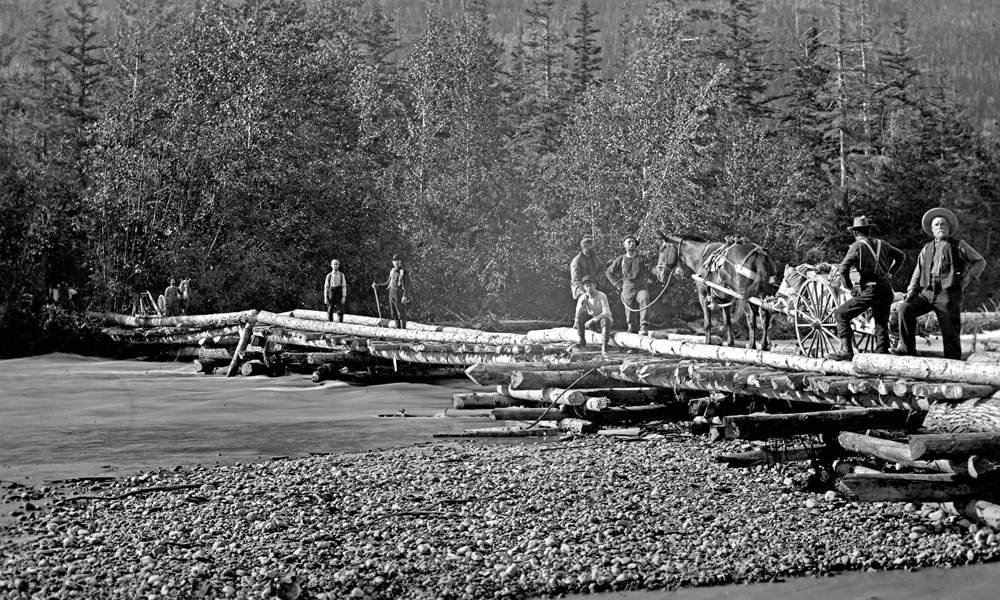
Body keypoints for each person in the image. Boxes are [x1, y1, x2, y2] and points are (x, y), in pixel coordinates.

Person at [894, 207, 986, 360]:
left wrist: (969, 276)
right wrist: (911, 290)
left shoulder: (959, 245)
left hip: (948, 294)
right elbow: (918, 272)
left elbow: (980, 261)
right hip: (927, 292)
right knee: (905, 308)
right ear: (932, 230)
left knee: (950, 332)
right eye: (936, 225)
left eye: (943, 224)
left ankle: (952, 363)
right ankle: (906, 349)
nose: (940, 227)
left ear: (948, 227)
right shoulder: (927, 248)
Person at [826, 216, 906, 361]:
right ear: (869, 230)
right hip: (887, 290)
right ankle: (882, 353)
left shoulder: (856, 246)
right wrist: (891, 273)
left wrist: (850, 287)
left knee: (840, 314)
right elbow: (901, 256)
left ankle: (846, 350)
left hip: (871, 290)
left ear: (855, 233)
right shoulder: (882, 244)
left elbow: (843, 269)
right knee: (881, 322)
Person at [606, 235, 652, 336]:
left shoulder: (642, 258)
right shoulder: (621, 259)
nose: (632, 243)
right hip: (627, 287)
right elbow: (609, 272)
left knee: (644, 298)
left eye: (633, 242)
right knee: (630, 312)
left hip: (640, 286)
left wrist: (658, 271)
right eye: (629, 242)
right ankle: (632, 332)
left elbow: (651, 269)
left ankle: (644, 325)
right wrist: (618, 285)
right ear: (624, 245)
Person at [573, 275, 613, 354]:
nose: (589, 288)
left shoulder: (601, 295)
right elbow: (578, 313)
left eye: (590, 285)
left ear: (594, 285)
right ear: (584, 287)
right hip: (593, 324)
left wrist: (593, 320)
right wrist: (583, 304)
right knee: (580, 316)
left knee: (605, 320)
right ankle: (582, 340)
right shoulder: (583, 297)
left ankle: (604, 347)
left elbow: (607, 313)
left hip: (604, 321)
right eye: (586, 286)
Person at [373, 254, 410, 329]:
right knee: (394, 314)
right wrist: (377, 286)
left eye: (398, 261)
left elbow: (407, 285)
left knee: (401, 313)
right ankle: (397, 330)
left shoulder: (404, 271)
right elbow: (388, 283)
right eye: (395, 261)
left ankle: (403, 332)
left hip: (399, 293)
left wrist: (405, 296)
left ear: (400, 261)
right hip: (391, 293)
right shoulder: (392, 271)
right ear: (393, 262)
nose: (396, 262)